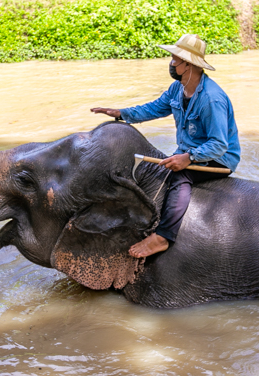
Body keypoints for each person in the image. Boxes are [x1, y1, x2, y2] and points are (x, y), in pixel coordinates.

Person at [91, 33, 240, 258]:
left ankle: (163, 237)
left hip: (219, 158)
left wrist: (188, 158)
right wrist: (121, 113)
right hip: (190, 151)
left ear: (188, 64)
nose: (171, 63)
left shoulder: (211, 99)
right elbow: (153, 108)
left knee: (180, 177)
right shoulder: (177, 89)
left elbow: (219, 144)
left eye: (174, 59)